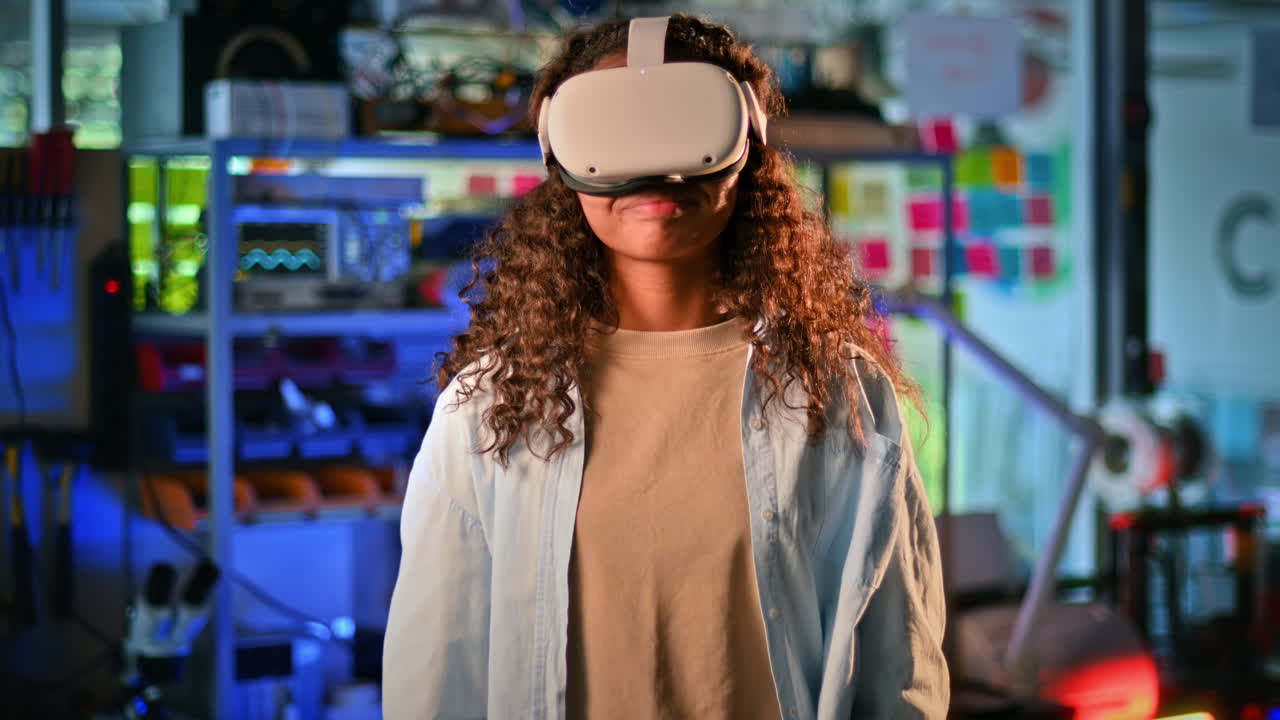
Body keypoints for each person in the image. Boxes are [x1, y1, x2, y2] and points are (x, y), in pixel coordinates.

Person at [383, 13, 948, 720]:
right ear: (562, 157)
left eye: (682, 126)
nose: (655, 170)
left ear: (746, 147)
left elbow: (901, 671)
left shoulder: (842, 396)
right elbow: (435, 679)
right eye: (616, 134)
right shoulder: (488, 409)